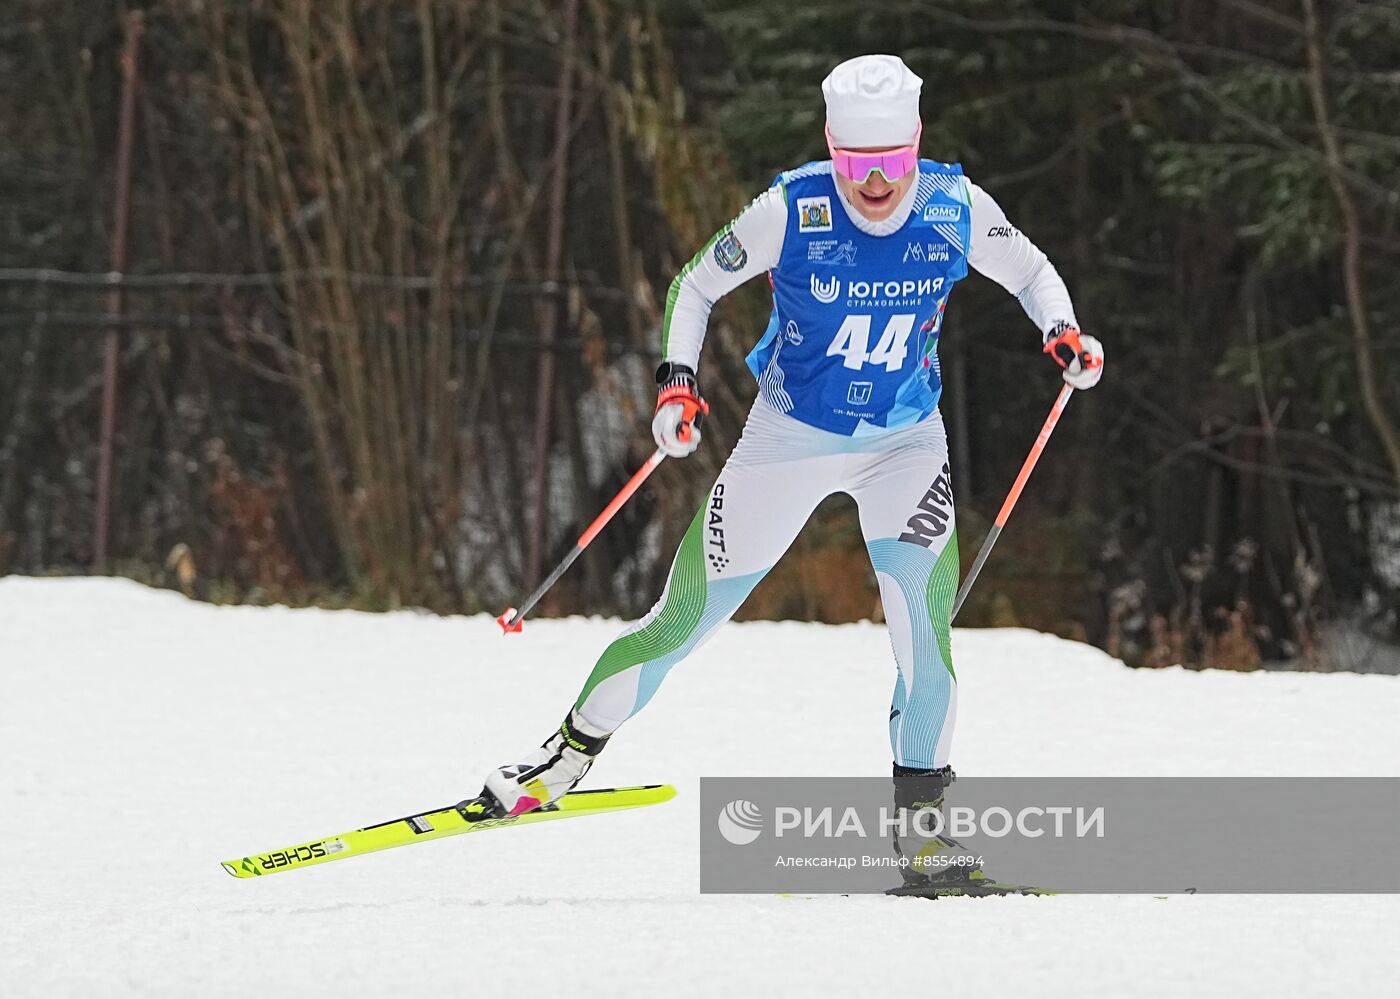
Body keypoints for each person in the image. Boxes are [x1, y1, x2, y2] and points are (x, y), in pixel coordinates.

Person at [462, 55, 1104, 875]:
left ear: (916, 146)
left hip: (904, 443)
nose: (876, 185)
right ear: (832, 151)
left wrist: (1064, 330)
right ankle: (562, 759)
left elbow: (1031, 271)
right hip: (788, 435)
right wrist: (676, 387)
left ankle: (926, 830)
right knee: (678, 620)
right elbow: (693, 288)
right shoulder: (791, 210)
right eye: (856, 166)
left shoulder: (954, 205)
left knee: (926, 641)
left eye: (893, 164)